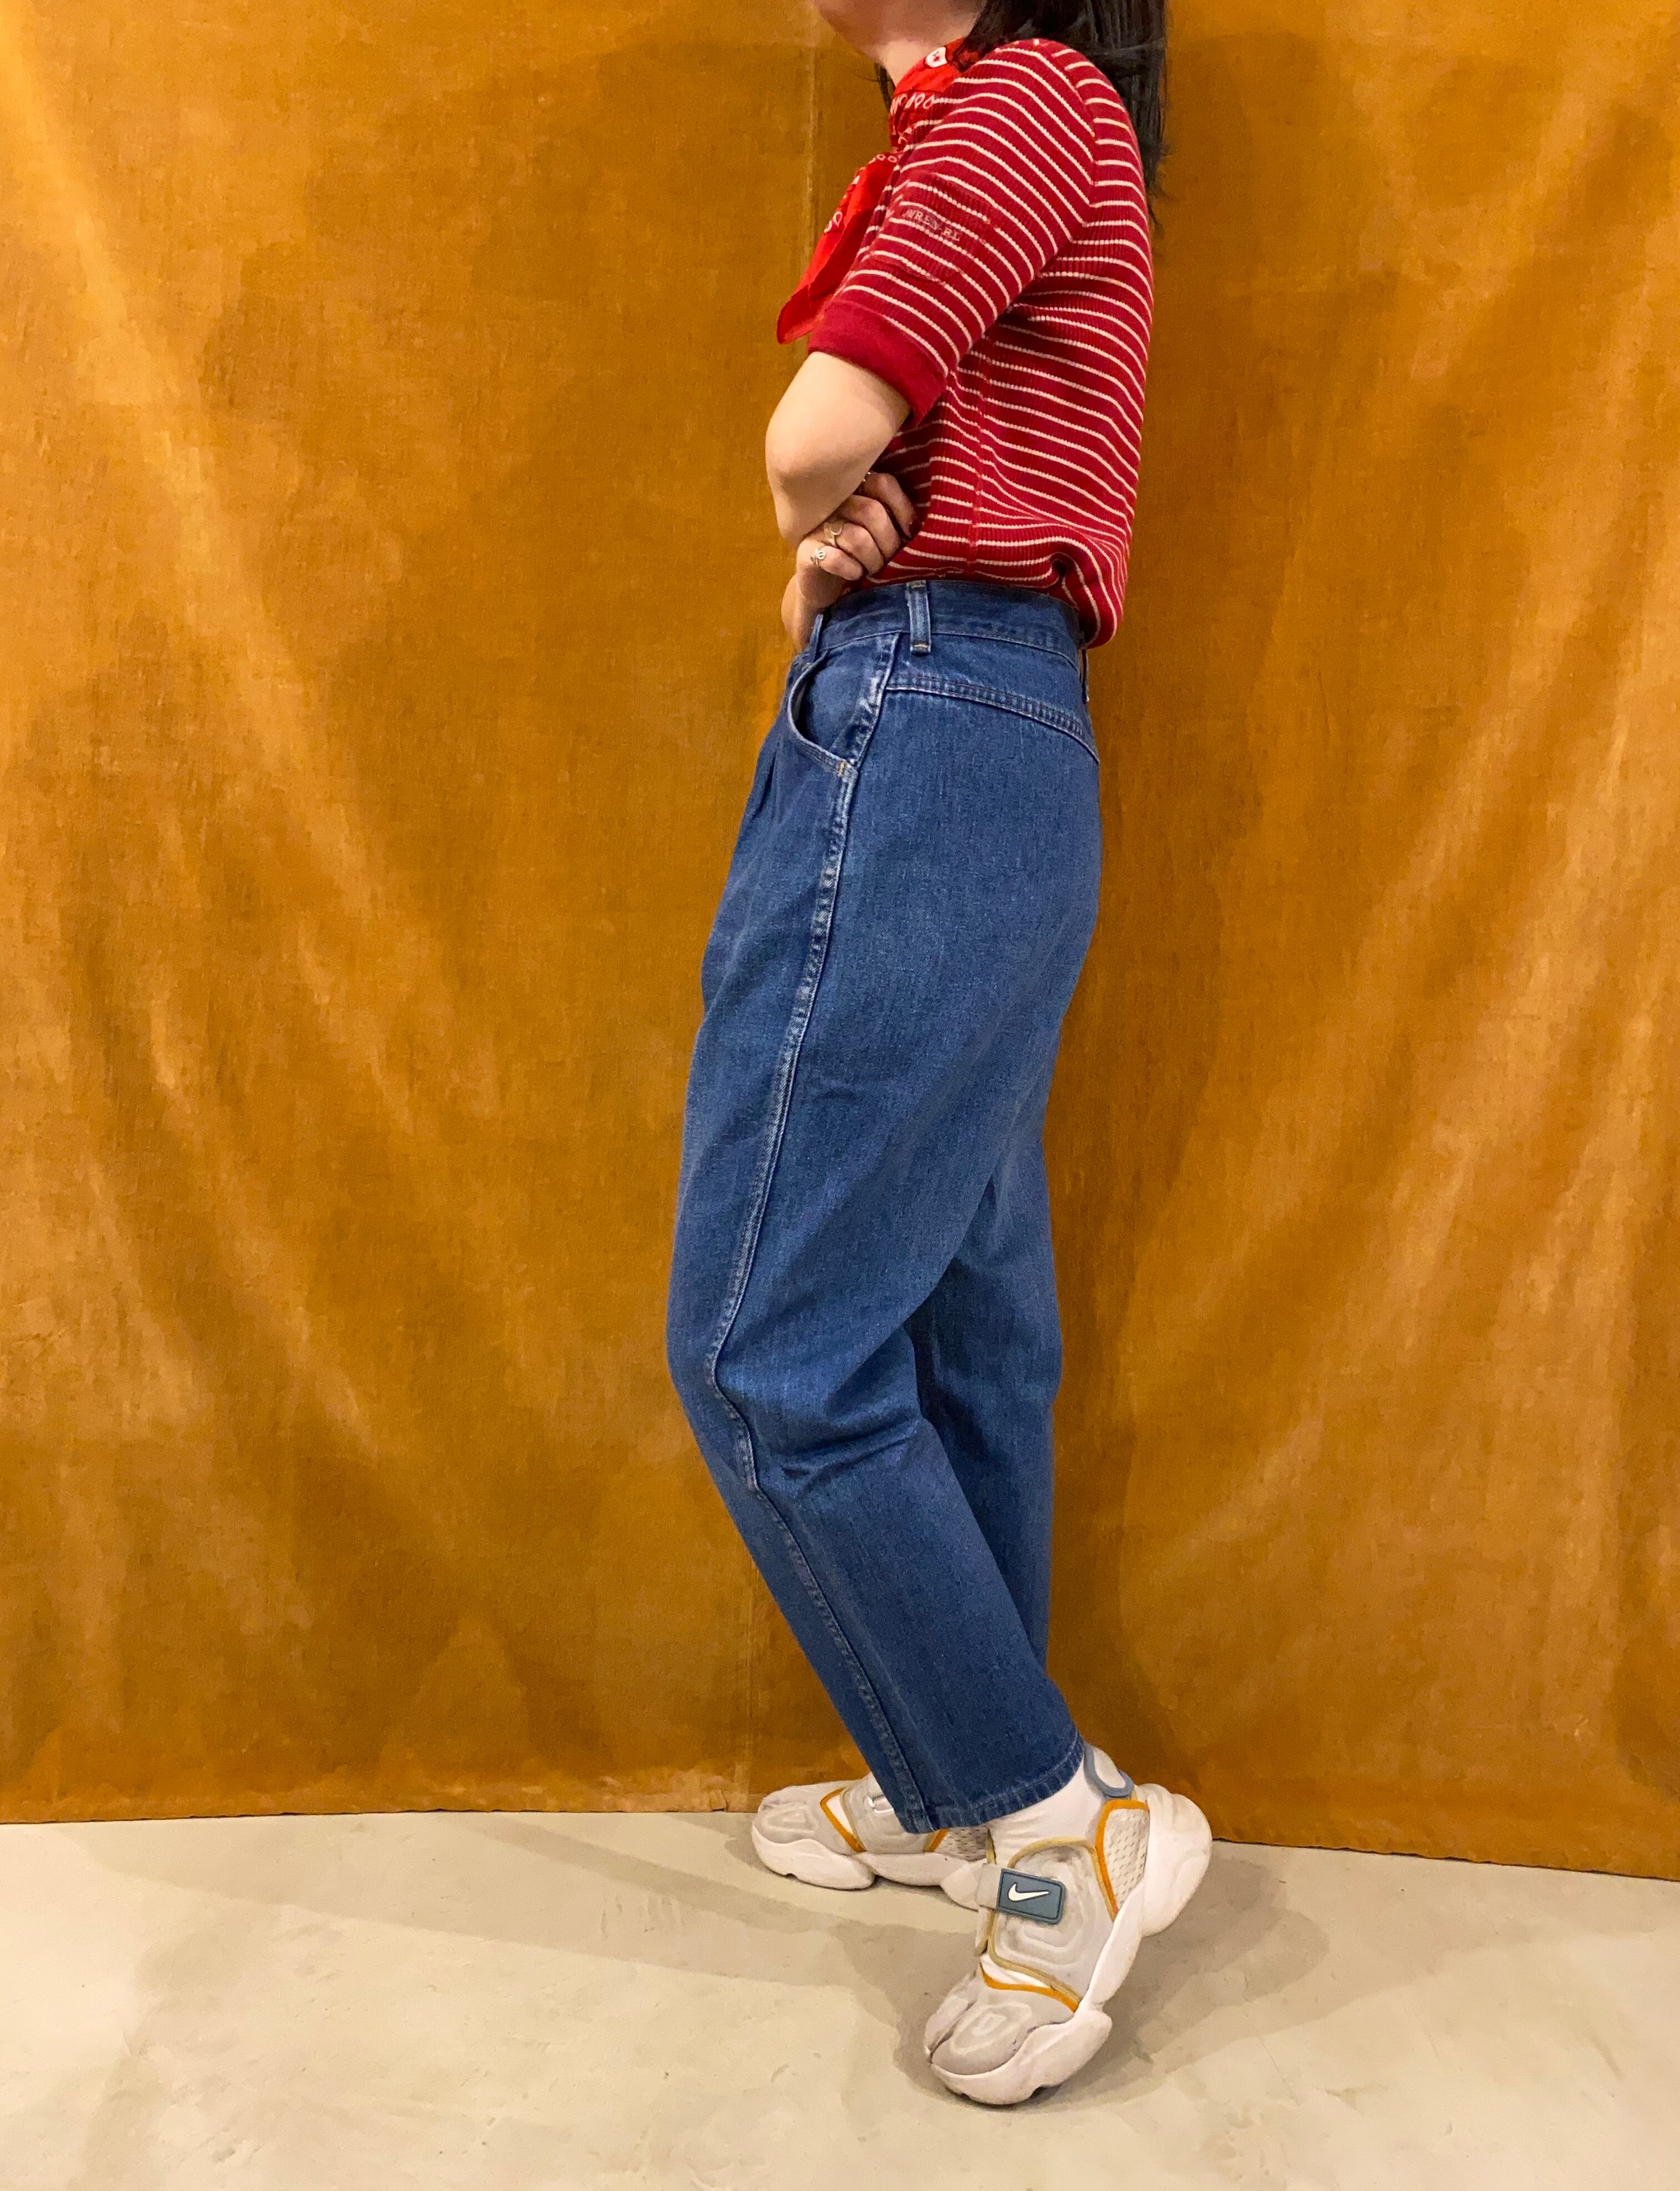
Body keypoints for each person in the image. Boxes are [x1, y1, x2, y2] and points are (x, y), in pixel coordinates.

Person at [666, 0, 1209, 2105]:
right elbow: (863, 481)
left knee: (768, 1349)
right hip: (982, 725)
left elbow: (814, 437)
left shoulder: (1017, 98)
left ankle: (1057, 1825)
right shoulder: (1014, 119)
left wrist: (826, 500)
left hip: (924, 732)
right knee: (964, 1322)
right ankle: (960, 1791)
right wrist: (843, 541)